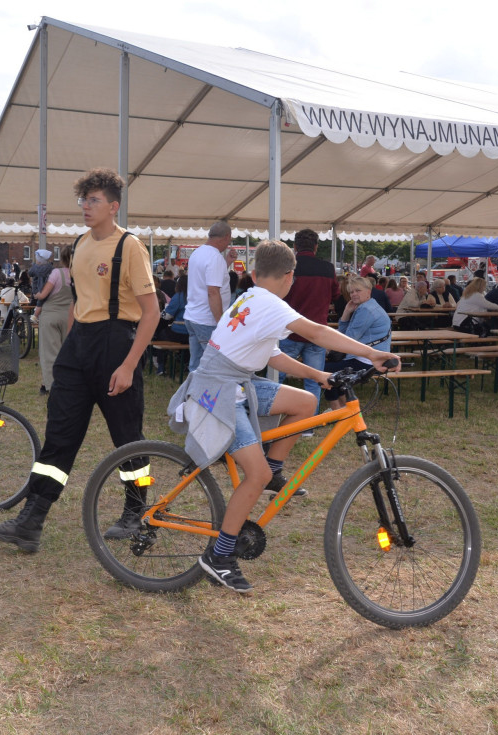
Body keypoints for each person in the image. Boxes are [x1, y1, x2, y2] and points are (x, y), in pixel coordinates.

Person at [170, 241, 398, 593]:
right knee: (255, 473)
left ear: (253, 273)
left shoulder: (251, 297)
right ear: (290, 276)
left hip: (235, 382)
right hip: (218, 391)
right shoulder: (270, 303)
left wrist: (318, 376)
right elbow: (318, 332)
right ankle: (219, 556)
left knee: (305, 403)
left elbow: (272, 355)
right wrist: (372, 354)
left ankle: (273, 473)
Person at [0, 168, 159, 552]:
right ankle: (31, 521)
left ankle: (137, 510)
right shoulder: (79, 245)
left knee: (128, 437)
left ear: (113, 206)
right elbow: (79, 301)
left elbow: (151, 312)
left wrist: (128, 365)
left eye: (93, 200)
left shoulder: (130, 247)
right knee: (60, 436)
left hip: (116, 344)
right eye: (83, 200)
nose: (85, 207)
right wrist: (70, 350)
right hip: (80, 346)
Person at [277, 228, 339, 402]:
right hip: (316, 333)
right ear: (316, 247)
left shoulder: (286, 268)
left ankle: (272, 414)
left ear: (295, 246)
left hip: (289, 331)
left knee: (276, 378)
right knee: (315, 381)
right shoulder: (328, 268)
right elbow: (335, 295)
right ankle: (311, 419)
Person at [321, 276, 392, 409]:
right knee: (334, 372)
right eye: (351, 292)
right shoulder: (369, 305)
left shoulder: (366, 310)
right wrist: (346, 312)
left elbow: (348, 338)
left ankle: (336, 409)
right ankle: (345, 409)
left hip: (368, 362)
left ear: (368, 291)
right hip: (371, 358)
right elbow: (346, 335)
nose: (353, 294)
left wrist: (327, 346)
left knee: (323, 371)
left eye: (357, 290)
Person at [184, 220, 236, 372]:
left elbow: (207, 278)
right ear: (226, 237)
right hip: (207, 320)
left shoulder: (198, 253)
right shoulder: (214, 257)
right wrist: (220, 322)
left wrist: (227, 262)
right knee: (213, 367)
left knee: (196, 364)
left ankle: (193, 387)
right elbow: (213, 291)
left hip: (193, 315)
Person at [33, 247, 73, 395]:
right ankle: (66, 383)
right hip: (70, 315)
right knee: (67, 353)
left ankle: (51, 385)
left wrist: (37, 295)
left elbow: (44, 294)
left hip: (50, 315)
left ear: (62, 259)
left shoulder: (56, 273)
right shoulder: (78, 274)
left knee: (50, 353)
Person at [153, 272, 190, 375]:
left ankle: (161, 367)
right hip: (192, 332)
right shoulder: (196, 296)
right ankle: (186, 364)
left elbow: (167, 315)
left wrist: (161, 312)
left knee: (161, 335)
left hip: (179, 332)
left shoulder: (179, 296)